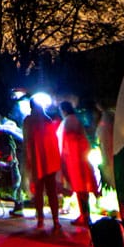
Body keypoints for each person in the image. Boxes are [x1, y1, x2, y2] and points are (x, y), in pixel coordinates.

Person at [21, 94, 64, 229]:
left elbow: (26, 141)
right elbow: (53, 142)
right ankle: (56, 220)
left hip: (35, 160)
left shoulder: (28, 120)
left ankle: (40, 219)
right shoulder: (47, 119)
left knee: (38, 191)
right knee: (51, 191)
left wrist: (27, 161)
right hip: (49, 161)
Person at [60, 100, 99, 227]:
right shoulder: (76, 120)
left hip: (74, 159)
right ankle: (85, 215)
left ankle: (85, 216)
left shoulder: (67, 122)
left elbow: (65, 142)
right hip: (81, 158)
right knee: (83, 187)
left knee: (80, 188)